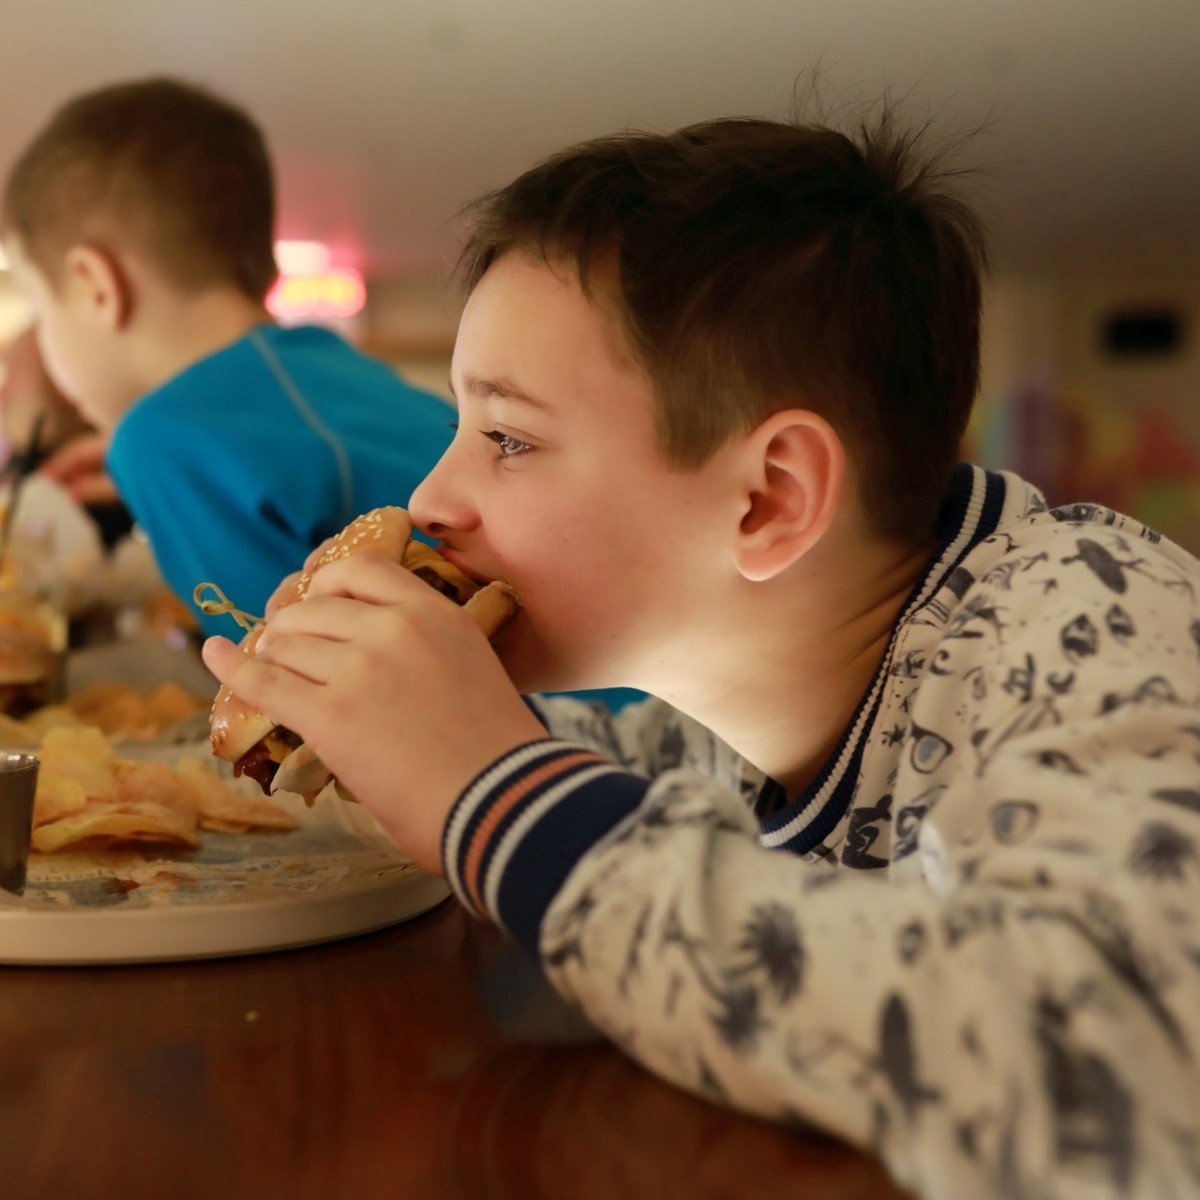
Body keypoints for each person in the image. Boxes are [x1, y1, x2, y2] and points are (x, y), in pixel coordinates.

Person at [204, 108, 1200, 1199]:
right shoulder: (722, 716)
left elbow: (1116, 1069)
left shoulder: (1089, 615)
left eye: (509, 439)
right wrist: (355, 721)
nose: (432, 498)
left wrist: (493, 795)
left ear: (770, 500)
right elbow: (589, 752)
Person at [0, 77, 454, 637]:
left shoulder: (158, 438)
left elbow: (281, 694)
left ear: (96, 287)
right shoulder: (330, 371)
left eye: (42, 309)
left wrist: (158, 462)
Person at [0, 327, 134, 551]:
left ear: (66, 385)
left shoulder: (127, 487)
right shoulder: (14, 477)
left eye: (10, 376)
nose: (1, 395)